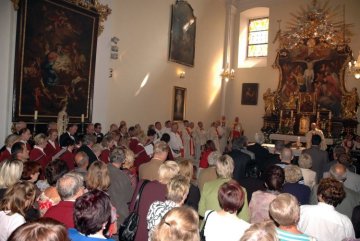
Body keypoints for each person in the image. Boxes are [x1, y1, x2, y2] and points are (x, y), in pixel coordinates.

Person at [129, 161, 179, 241]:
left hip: (137, 233)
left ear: (160, 171)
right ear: (175, 177)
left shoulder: (142, 184)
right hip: (156, 237)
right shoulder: (172, 195)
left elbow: (132, 208)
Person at [198, 155, 250, 222]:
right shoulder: (241, 190)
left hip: (209, 225)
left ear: (217, 170)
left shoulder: (207, 186)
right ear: (233, 168)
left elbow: (201, 211)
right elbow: (244, 218)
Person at [107, 147, 134, 226]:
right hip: (118, 215)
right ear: (123, 161)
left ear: (109, 158)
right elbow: (129, 197)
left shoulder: (101, 170)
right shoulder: (124, 177)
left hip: (101, 210)